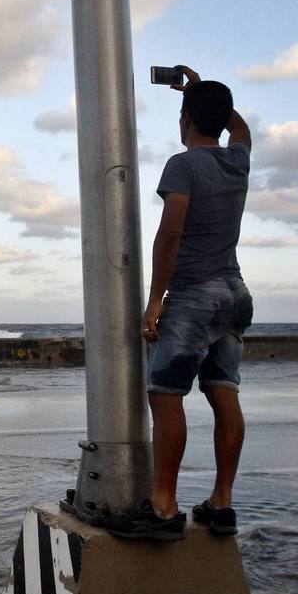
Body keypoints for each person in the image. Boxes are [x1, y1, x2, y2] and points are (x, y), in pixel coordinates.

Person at [104, 65, 254, 541]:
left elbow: (171, 233)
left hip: (194, 295)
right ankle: (221, 503)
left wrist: (153, 303)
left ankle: (163, 507)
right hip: (235, 293)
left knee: (166, 395)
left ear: (185, 119)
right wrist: (203, 91)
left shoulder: (183, 165)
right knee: (223, 392)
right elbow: (241, 129)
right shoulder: (237, 160)